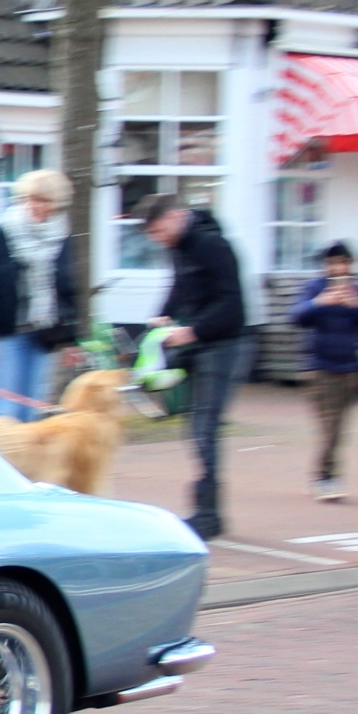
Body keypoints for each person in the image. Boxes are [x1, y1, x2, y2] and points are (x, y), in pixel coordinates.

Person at [138, 193, 248, 540]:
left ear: (175, 216)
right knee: (195, 426)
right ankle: (207, 510)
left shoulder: (212, 245)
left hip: (226, 344)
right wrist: (164, 314)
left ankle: (209, 513)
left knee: (205, 426)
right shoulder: (179, 248)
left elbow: (232, 303)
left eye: (159, 231)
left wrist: (193, 331)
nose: (159, 239)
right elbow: (180, 286)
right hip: (197, 342)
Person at [0, 169, 79, 422]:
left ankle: (24, 462)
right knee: (6, 409)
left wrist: (71, 339)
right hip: (8, 331)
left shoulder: (62, 236)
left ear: (56, 204)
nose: (34, 206)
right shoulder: (5, 233)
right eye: (29, 198)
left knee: (32, 409)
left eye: (42, 200)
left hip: (44, 332)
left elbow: (67, 288)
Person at [290, 240, 358, 502]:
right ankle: (325, 478)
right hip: (320, 368)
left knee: (340, 427)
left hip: (352, 367)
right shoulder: (314, 288)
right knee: (331, 427)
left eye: (343, 263)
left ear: (350, 265)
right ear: (326, 266)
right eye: (333, 263)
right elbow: (296, 317)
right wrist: (321, 302)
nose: (338, 268)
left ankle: (327, 477)